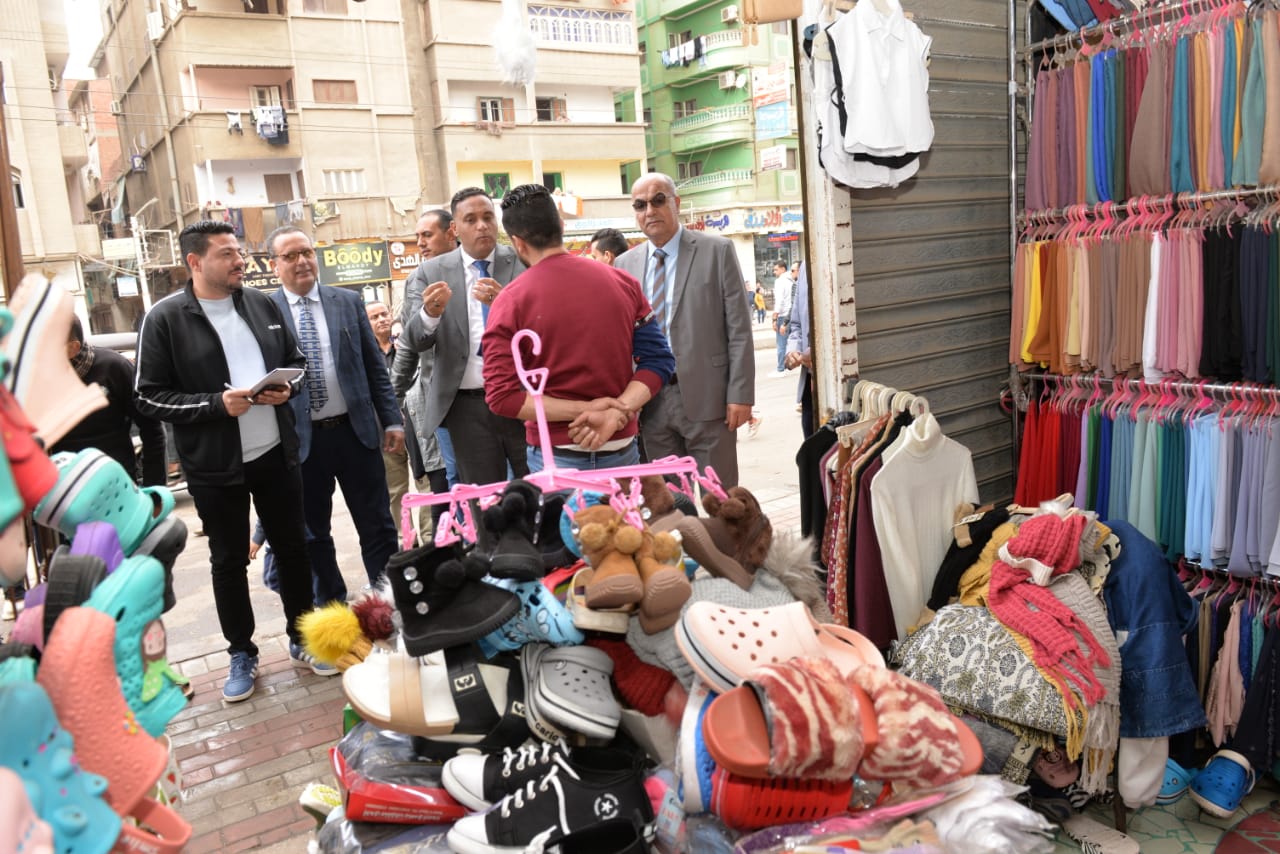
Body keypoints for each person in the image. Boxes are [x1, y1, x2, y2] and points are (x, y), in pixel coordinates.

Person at [134, 220, 320, 702]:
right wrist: (215, 405)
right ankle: (242, 653)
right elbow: (149, 397)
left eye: (238, 251)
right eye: (227, 254)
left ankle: (303, 638)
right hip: (215, 466)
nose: (240, 261)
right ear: (195, 262)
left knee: (294, 549)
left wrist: (286, 388)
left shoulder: (260, 303)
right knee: (229, 561)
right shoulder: (165, 318)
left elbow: (298, 362)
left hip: (276, 453)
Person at [483, 184, 675, 471]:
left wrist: (590, 410)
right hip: (621, 448)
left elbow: (501, 397)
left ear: (518, 243)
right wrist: (616, 411)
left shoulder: (510, 301)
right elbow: (659, 361)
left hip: (556, 459)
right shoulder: (623, 283)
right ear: (561, 226)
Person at [267, 227, 403, 603]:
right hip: (301, 441)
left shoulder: (346, 301)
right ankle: (333, 611)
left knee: (378, 526)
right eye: (290, 256)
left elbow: (374, 366)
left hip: (355, 433)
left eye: (307, 252)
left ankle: (389, 605)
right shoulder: (265, 310)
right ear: (274, 265)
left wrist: (391, 419)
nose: (302, 261)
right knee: (313, 535)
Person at [614, 173, 755, 488]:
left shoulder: (717, 250)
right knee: (671, 502)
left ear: (676, 203)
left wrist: (741, 394)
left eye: (658, 200)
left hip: (710, 399)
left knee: (720, 497)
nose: (650, 211)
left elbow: (739, 329)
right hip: (651, 403)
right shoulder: (624, 265)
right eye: (640, 205)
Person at [398, 188, 529, 485]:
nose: (482, 226)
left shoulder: (522, 261)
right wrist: (430, 313)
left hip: (522, 399)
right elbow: (413, 340)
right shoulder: (431, 272)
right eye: (471, 220)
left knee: (536, 490)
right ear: (455, 229)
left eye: (488, 217)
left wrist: (506, 307)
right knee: (483, 496)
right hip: (467, 407)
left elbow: (543, 328)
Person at [52, 315, 166, 486]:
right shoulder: (37, 378)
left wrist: (154, 488)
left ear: (72, 348)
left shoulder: (114, 367)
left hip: (116, 483)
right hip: (63, 485)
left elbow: (152, 429)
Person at [395, 209, 458, 491]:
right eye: (418, 236)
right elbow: (409, 344)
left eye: (427, 235)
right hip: (437, 398)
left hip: (485, 396)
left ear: (451, 232)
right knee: (446, 484)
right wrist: (393, 399)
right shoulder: (417, 279)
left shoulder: (476, 269)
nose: (420, 243)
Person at [365, 300, 423, 543]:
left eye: (384, 314)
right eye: (374, 317)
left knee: (425, 483)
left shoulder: (405, 346)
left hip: (418, 427)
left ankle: (432, 538)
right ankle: (407, 540)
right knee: (396, 489)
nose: (382, 320)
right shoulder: (366, 354)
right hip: (386, 431)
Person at [785, 261, 815, 438]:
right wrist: (793, 351)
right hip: (809, 386)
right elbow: (796, 324)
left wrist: (818, 351)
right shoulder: (804, 268)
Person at [771, 261, 795, 376]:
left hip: (783, 316)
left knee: (781, 343)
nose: (774, 272)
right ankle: (786, 366)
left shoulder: (779, 281)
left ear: (783, 269)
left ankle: (781, 369)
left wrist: (774, 318)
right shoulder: (791, 280)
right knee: (791, 341)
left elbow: (779, 301)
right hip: (791, 315)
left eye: (776, 269)